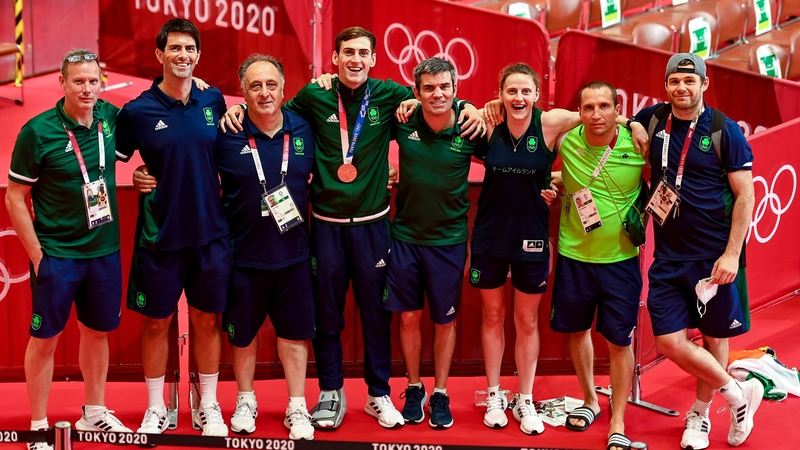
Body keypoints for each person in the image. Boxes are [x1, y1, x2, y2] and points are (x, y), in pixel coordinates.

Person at [221, 26, 484, 430]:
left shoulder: (392, 95)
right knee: (327, 313)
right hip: (324, 228)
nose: (355, 60)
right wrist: (237, 108)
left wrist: (472, 107)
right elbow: (271, 110)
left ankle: (378, 394)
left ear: (374, 58)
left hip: (373, 227)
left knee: (377, 314)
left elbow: (438, 99)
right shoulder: (314, 94)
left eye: (363, 52)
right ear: (335, 58)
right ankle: (330, 390)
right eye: (347, 53)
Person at [134, 54, 317, 440]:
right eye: (255, 86)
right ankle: (245, 400)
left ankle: (297, 406)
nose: (264, 93)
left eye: (271, 85)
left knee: (295, 336)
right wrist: (146, 173)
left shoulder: (305, 128)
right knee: (242, 336)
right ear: (243, 93)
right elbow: (187, 150)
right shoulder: (226, 131)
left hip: (296, 254)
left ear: (284, 89)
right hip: (242, 254)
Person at [473, 64, 645, 436]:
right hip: (498, 238)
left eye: (525, 91)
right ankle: (495, 394)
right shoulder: (499, 125)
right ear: (500, 93)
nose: (519, 98)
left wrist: (634, 122)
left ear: (538, 95)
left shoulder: (556, 125)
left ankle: (528, 399)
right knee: (493, 316)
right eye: (510, 91)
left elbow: (607, 118)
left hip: (558, 244)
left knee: (530, 321)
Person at [6, 48, 132, 450]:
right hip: (58, 255)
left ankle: (95, 411)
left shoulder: (110, 119)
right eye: (78, 81)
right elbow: (14, 197)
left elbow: (153, 121)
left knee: (97, 334)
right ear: (61, 83)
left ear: (102, 81)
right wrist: (39, 257)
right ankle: (40, 426)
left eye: (93, 80)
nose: (87, 88)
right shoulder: (37, 132)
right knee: (44, 341)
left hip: (104, 252)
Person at [633, 53, 760, 449]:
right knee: (670, 340)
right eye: (674, 81)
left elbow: (746, 196)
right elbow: (627, 120)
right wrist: (634, 124)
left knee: (714, 335)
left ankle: (700, 416)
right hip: (669, 256)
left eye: (690, 81)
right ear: (666, 85)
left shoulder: (724, 130)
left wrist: (731, 255)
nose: (681, 88)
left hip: (714, 257)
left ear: (704, 84)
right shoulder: (653, 119)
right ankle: (739, 395)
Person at [116, 18, 231, 437]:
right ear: (159, 55)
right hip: (159, 235)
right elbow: (106, 155)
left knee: (206, 321)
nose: (183, 56)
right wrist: (137, 176)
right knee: (155, 323)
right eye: (175, 49)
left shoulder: (213, 100)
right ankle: (154, 406)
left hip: (210, 233)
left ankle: (210, 405)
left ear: (198, 56)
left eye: (190, 49)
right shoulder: (138, 111)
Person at [381, 57, 484, 430]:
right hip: (405, 237)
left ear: (456, 89)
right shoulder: (404, 119)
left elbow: (509, 155)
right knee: (408, 316)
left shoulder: (472, 126)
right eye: (429, 88)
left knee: (444, 320)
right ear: (417, 92)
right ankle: (413, 387)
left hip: (449, 242)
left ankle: (440, 392)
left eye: (445, 87)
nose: (437, 94)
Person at [550, 81, 646, 450]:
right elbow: (534, 117)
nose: (596, 115)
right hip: (574, 257)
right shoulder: (568, 139)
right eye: (588, 107)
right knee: (577, 331)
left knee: (619, 342)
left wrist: (634, 123)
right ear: (579, 111)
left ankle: (617, 420)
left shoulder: (637, 144)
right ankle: (590, 398)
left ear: (617, 110)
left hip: (620, 263)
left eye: (605, 107)